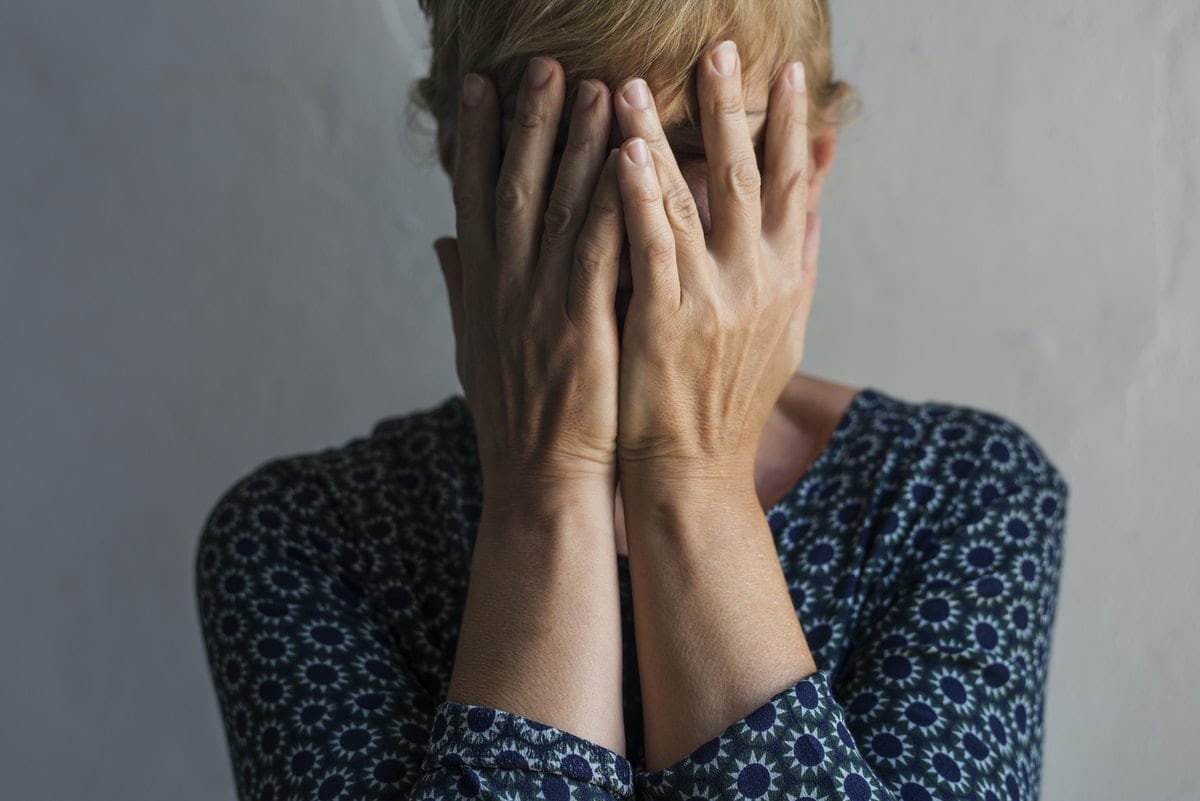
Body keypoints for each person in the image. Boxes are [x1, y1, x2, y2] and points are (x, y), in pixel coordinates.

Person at [194, 1, 1070, 799]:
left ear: (807, 166)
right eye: (562, 144)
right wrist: (548, 487)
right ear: (466, 162)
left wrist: (692, 475)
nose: (631, 210)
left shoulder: (960, 495)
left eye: (695, 150)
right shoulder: (306, 539)